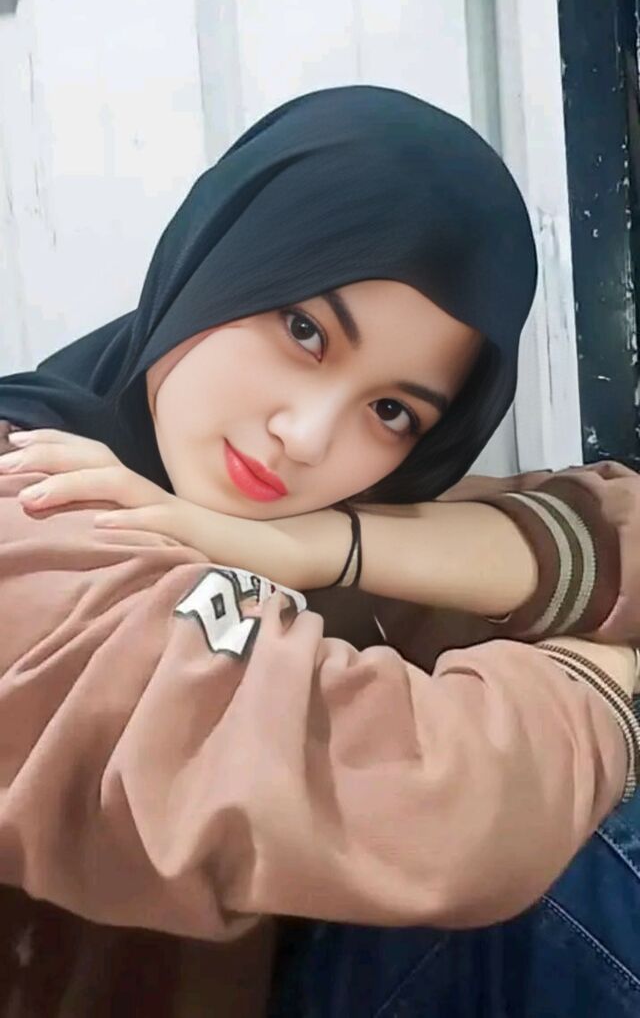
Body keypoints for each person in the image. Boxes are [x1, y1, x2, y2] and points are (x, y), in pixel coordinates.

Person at [0, 86, 639, 1018]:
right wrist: (603, 683)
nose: (305, 436)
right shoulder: (31, 511)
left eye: (392, 410)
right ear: (223, 256)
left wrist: (332, 545)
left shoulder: (310, 505)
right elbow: (424, 807)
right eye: (304, 330)